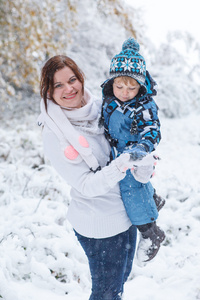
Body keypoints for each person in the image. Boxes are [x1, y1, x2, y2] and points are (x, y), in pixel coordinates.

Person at [38, 54, 147, 299]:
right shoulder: (54, 132)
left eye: (72, 79)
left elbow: (126, 142)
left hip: (126, 213)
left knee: (118, 284)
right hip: (99, 225)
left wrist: (142, 158)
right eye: (58, 85)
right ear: (48, 91)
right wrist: (122, 164)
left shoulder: (102, 107)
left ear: (81, 78)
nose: (69, 89)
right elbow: (86, 185)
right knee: (106, 294)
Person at [99, 37, 165, 262]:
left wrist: (142, 147)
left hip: (135, 156)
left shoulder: (144, 106)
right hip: (116, 154)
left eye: (131, 87)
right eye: (119, 86)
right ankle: (154, 198)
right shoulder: (108, 101)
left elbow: (152, 129)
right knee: (128, 190)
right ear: (112, 82)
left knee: (132, 193)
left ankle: (151, 233)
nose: (125, 92)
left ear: (141, 85)